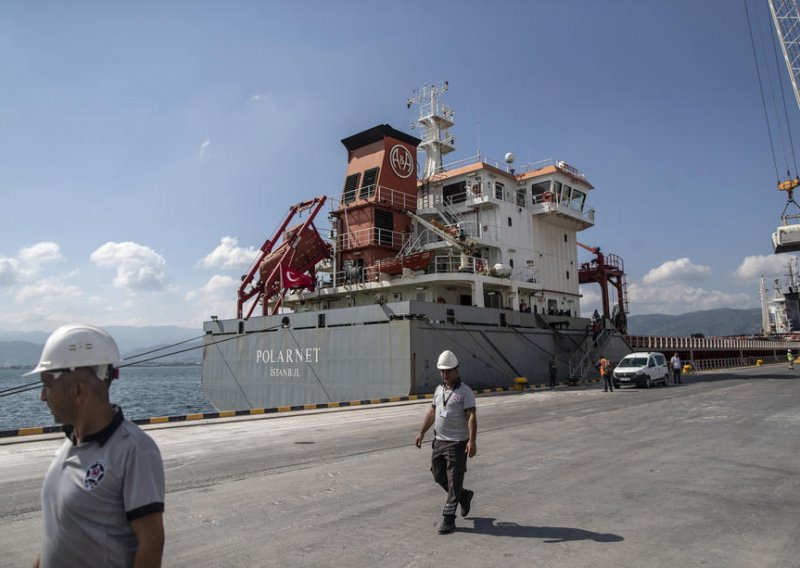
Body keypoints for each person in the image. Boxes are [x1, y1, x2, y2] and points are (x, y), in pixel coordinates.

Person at [28, 324, 165, 568]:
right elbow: (57, 537)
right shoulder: (68, 447)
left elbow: (151, 541)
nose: (42, 396)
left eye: (47, 384)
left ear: (77, 390)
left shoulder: (134, 449)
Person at [415, 350, 477, 535]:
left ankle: (449, 519)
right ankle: (464, 496)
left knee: (454, 479)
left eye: (448, 371)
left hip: (457, 443)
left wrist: (472, 441)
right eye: (442, 371)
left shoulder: (465, 392)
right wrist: (421, 432)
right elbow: (433, 412)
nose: (444, 374)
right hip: (439, 441)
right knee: (438, 475)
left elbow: (471, 416)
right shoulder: (439, 389)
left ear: (456, 370)